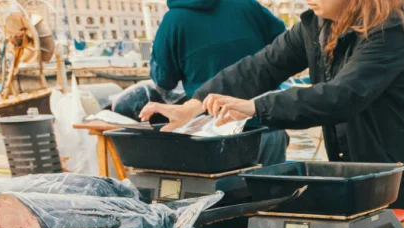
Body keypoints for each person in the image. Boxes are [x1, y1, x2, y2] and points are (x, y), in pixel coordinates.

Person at [140, 0, 404, 228]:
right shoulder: (315, 26)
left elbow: (341, 97)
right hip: (357, 176)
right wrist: (191, 107)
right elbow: (260, 67)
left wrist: (255, 107)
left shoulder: (388, 32)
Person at [114, 0, 288, 165]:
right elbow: (283, 45)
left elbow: (164, 80)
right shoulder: (247, 4)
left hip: (214, 133)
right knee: (275, 191)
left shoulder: (173, 21)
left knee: (224, 193)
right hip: (266, 122)